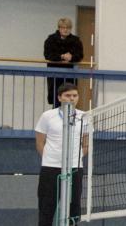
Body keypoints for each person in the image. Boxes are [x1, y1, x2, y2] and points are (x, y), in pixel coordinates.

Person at [35, 82, 91, 226]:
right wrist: (50, 158)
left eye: (74, 95)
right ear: (59, 98)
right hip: (50, 168)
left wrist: (74, 158)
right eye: (67, 95)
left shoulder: (84, 117)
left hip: (75, 168)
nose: (71, 98)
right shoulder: (47, 116)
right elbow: (40, 142)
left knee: (73, 211)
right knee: (46, 209)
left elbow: (86, 144)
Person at [43, 18, 83, 106]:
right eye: (63, 27)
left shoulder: (76, 40)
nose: (65, 30)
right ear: (59, 28)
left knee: (70, 98)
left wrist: (71, 57)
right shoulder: (51, 39)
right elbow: (47, 55)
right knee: (56, 98)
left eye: (68, 28)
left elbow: (80, 56)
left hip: (71, 74)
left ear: (70, 29)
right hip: (54, 74)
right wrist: (62, 56)